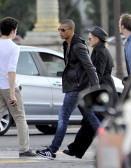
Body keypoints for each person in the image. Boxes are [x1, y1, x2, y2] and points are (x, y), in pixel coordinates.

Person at [36, 19, 100, 159]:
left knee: (63, 117)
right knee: (91, 118)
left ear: (71, 30)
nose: (60, 32)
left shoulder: (78, 47)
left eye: (63, 30)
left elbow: (90, 68)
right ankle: (110, 143)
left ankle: (52, 150)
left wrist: (96, 88)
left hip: (77, 88)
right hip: (76, 86)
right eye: (59, 30)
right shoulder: (67, 44)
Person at [63, 26, 118, 159]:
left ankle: (102, 150)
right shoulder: (100, 50)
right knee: (91, 122)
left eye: (90, 37)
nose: (88, 39)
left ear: (97, 39)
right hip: (103, 90)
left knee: (93, 122)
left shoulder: (100, 52)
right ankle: (76, 149)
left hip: (102, 92)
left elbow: (97, 73)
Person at [0, 17, 37, 157]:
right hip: (9, 87)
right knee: (20, 117)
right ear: (13, 31)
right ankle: (24, 149)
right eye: (16, 30)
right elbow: (11, 70)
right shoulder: (14, 47)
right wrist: (12, 93)